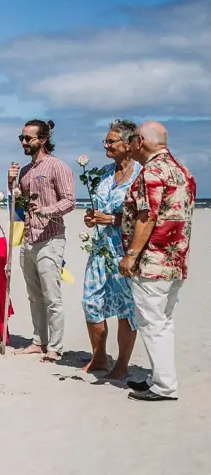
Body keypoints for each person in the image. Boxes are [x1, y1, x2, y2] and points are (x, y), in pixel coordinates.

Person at [120, 122, 195, 402]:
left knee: (152, 323)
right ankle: (159, 377)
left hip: (154, 260)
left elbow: (147, 215)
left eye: (131, 140)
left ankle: (164, 385)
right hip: (176, 258)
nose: (130, 146)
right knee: (163, 321)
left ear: (141, 141)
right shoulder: (181, 169)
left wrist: (131, 255)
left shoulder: (152, 171)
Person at [8, 119, 75, 362]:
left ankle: (55, 347)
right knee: (33, 295)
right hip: (28, 237)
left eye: (29, 138)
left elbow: (69, 200)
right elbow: (17, 206)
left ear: (43, 139)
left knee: (51, 296)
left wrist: (46, 210)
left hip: (51, 238)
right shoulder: (24, 171)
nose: (24, 142)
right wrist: (11, 183)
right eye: (21, 138)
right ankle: (38, 341)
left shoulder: (57, 166)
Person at [80, 120, 141, 379]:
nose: (106, 145)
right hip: (101, 247)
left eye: (111, 141)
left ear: (128, 145)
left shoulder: (141, 174)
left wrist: (114, 220)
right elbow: (98, 208)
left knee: (127, 307)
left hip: (126, 248)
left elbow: (145, 217)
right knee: (90, 301)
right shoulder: (104, 172)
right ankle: (100, 356)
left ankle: (122, 365)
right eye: (105, 141)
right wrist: (92, 218)